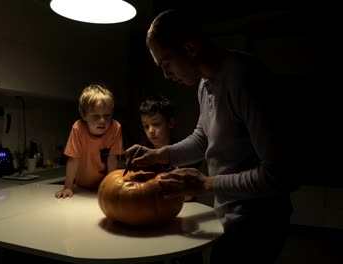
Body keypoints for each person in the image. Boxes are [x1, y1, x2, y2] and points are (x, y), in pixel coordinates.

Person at [125, 9, 298, 264]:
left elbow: (280, 175)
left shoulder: (244, 79)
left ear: (190, 47)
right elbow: (202, 138)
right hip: (229, 214)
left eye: (166, 64)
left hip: (259, 222)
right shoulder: (205, 85)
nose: (166, 75)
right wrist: (160, 154)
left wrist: (206, 184)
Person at [55, 84, 123, 198]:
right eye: (96, 116)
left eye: (107, 116)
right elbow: (73, 159)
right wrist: (67, 187)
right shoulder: (78, 128)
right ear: (83, 115)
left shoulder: (115, 128)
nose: (102, 121)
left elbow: (113, 160)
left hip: (103, 185)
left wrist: (111, 188)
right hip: (81, 186)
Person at [139, 95, 202, 202]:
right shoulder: (141, 155)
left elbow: (189, 194)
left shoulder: (184, 152)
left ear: (171, 123)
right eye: (146, 126)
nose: (151, 131)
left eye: (156, 124)